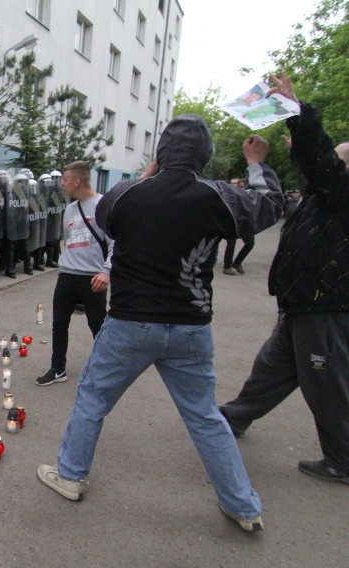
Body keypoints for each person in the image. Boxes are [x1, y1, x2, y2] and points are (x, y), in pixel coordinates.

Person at [37, 114, 284, 533]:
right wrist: (257, 163)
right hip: (190, 327)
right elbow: (270, 207)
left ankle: (71, 474)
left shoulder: (128, 195)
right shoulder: (218, 196)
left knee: (93, 399)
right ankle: (242, 506)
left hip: (131, 323)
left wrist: (152, 171)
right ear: (204, 155)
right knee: (205, 416)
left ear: (160, 153)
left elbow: (109, 214)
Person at [220, 72, 349, 485]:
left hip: (325, 306)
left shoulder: (340, 194)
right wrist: (275, 155)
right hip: (302, 302)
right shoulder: (323, 197)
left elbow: (322, 163)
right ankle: (236, 417)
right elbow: (312, 169)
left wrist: (298, 114)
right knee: (273, 368)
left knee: (325, 383)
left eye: (337, 162)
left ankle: (342, 460)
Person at [36, 161, 112, 386]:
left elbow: (116, 243)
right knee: (59, 323)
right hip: (67, 275)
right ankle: (58, 368)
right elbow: (68, 242)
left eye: (65, 180)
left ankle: (105, 369)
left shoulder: (103, 206)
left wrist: (106, 272)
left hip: (93, 277)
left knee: (98, 326)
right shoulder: (69, 209)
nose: (62, 184)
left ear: (77, 181)